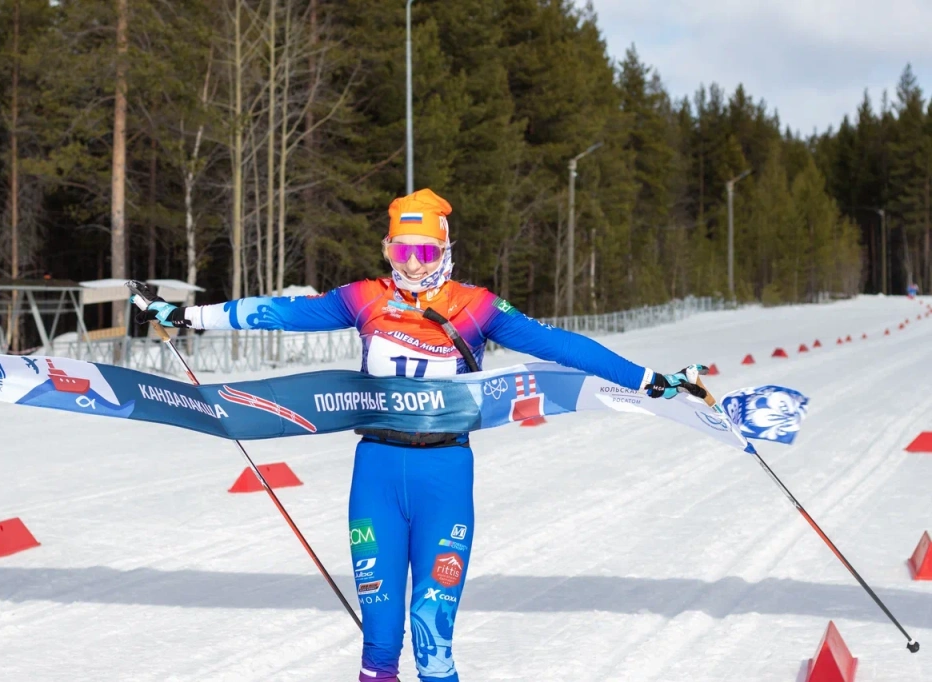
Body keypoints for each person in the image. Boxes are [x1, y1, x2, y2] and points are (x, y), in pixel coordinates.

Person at [134, 188, 702, 682]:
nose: (411, 264)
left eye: (423, 251)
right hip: (377, 474)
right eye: (400, 251)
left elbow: (564, 346)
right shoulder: (365, 298)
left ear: (444, 250)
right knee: (379, 645)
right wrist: (187, 316)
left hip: (444, 476)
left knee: (433, 646)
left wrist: (648, 380)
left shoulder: (476, 307)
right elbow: (277, 313)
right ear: (388, 250)